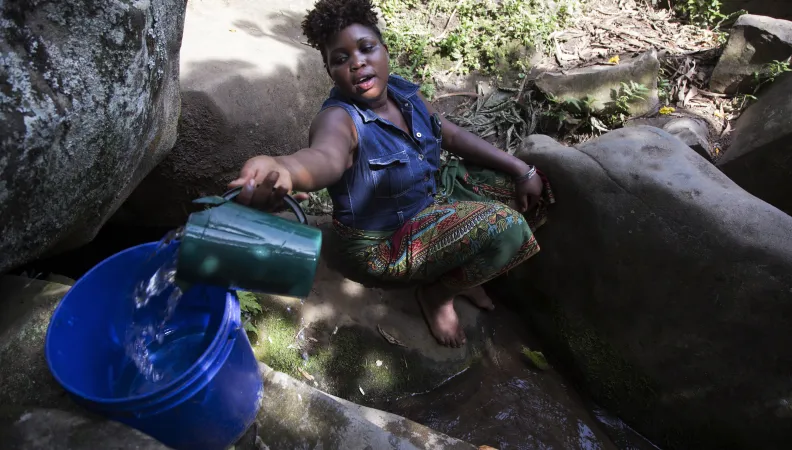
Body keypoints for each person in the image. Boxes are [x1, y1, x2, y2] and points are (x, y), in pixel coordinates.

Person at [229, 0, 554, 348]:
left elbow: (451, 133)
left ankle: (458, 269)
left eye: (366, 48)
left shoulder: (402, 92)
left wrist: (522, 168)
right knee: (505, 227)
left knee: (529, 190)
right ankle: (438, 295)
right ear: (330, 73)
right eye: (340, 59)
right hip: (386, 242)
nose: (356, 62)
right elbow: (324, 156)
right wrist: (284, 169)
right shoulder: (338, 120)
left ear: (384, 50)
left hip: (431, 201)